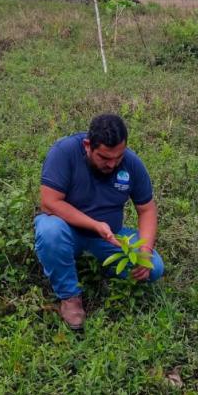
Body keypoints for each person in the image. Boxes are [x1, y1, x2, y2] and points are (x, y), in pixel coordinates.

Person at [34, 114, 164, 330]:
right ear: (88, 146)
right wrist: (95, 225)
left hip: (110, 237)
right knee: (49, 231)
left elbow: (147, 209)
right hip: (70, 232)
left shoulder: (131, 163)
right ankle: (70, 296)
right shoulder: (64, 152)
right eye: (104, 158)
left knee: (155, 268)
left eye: (118, 157)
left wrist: (145, 251)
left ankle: (98, 264)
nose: (112, 164)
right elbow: (49, 202)